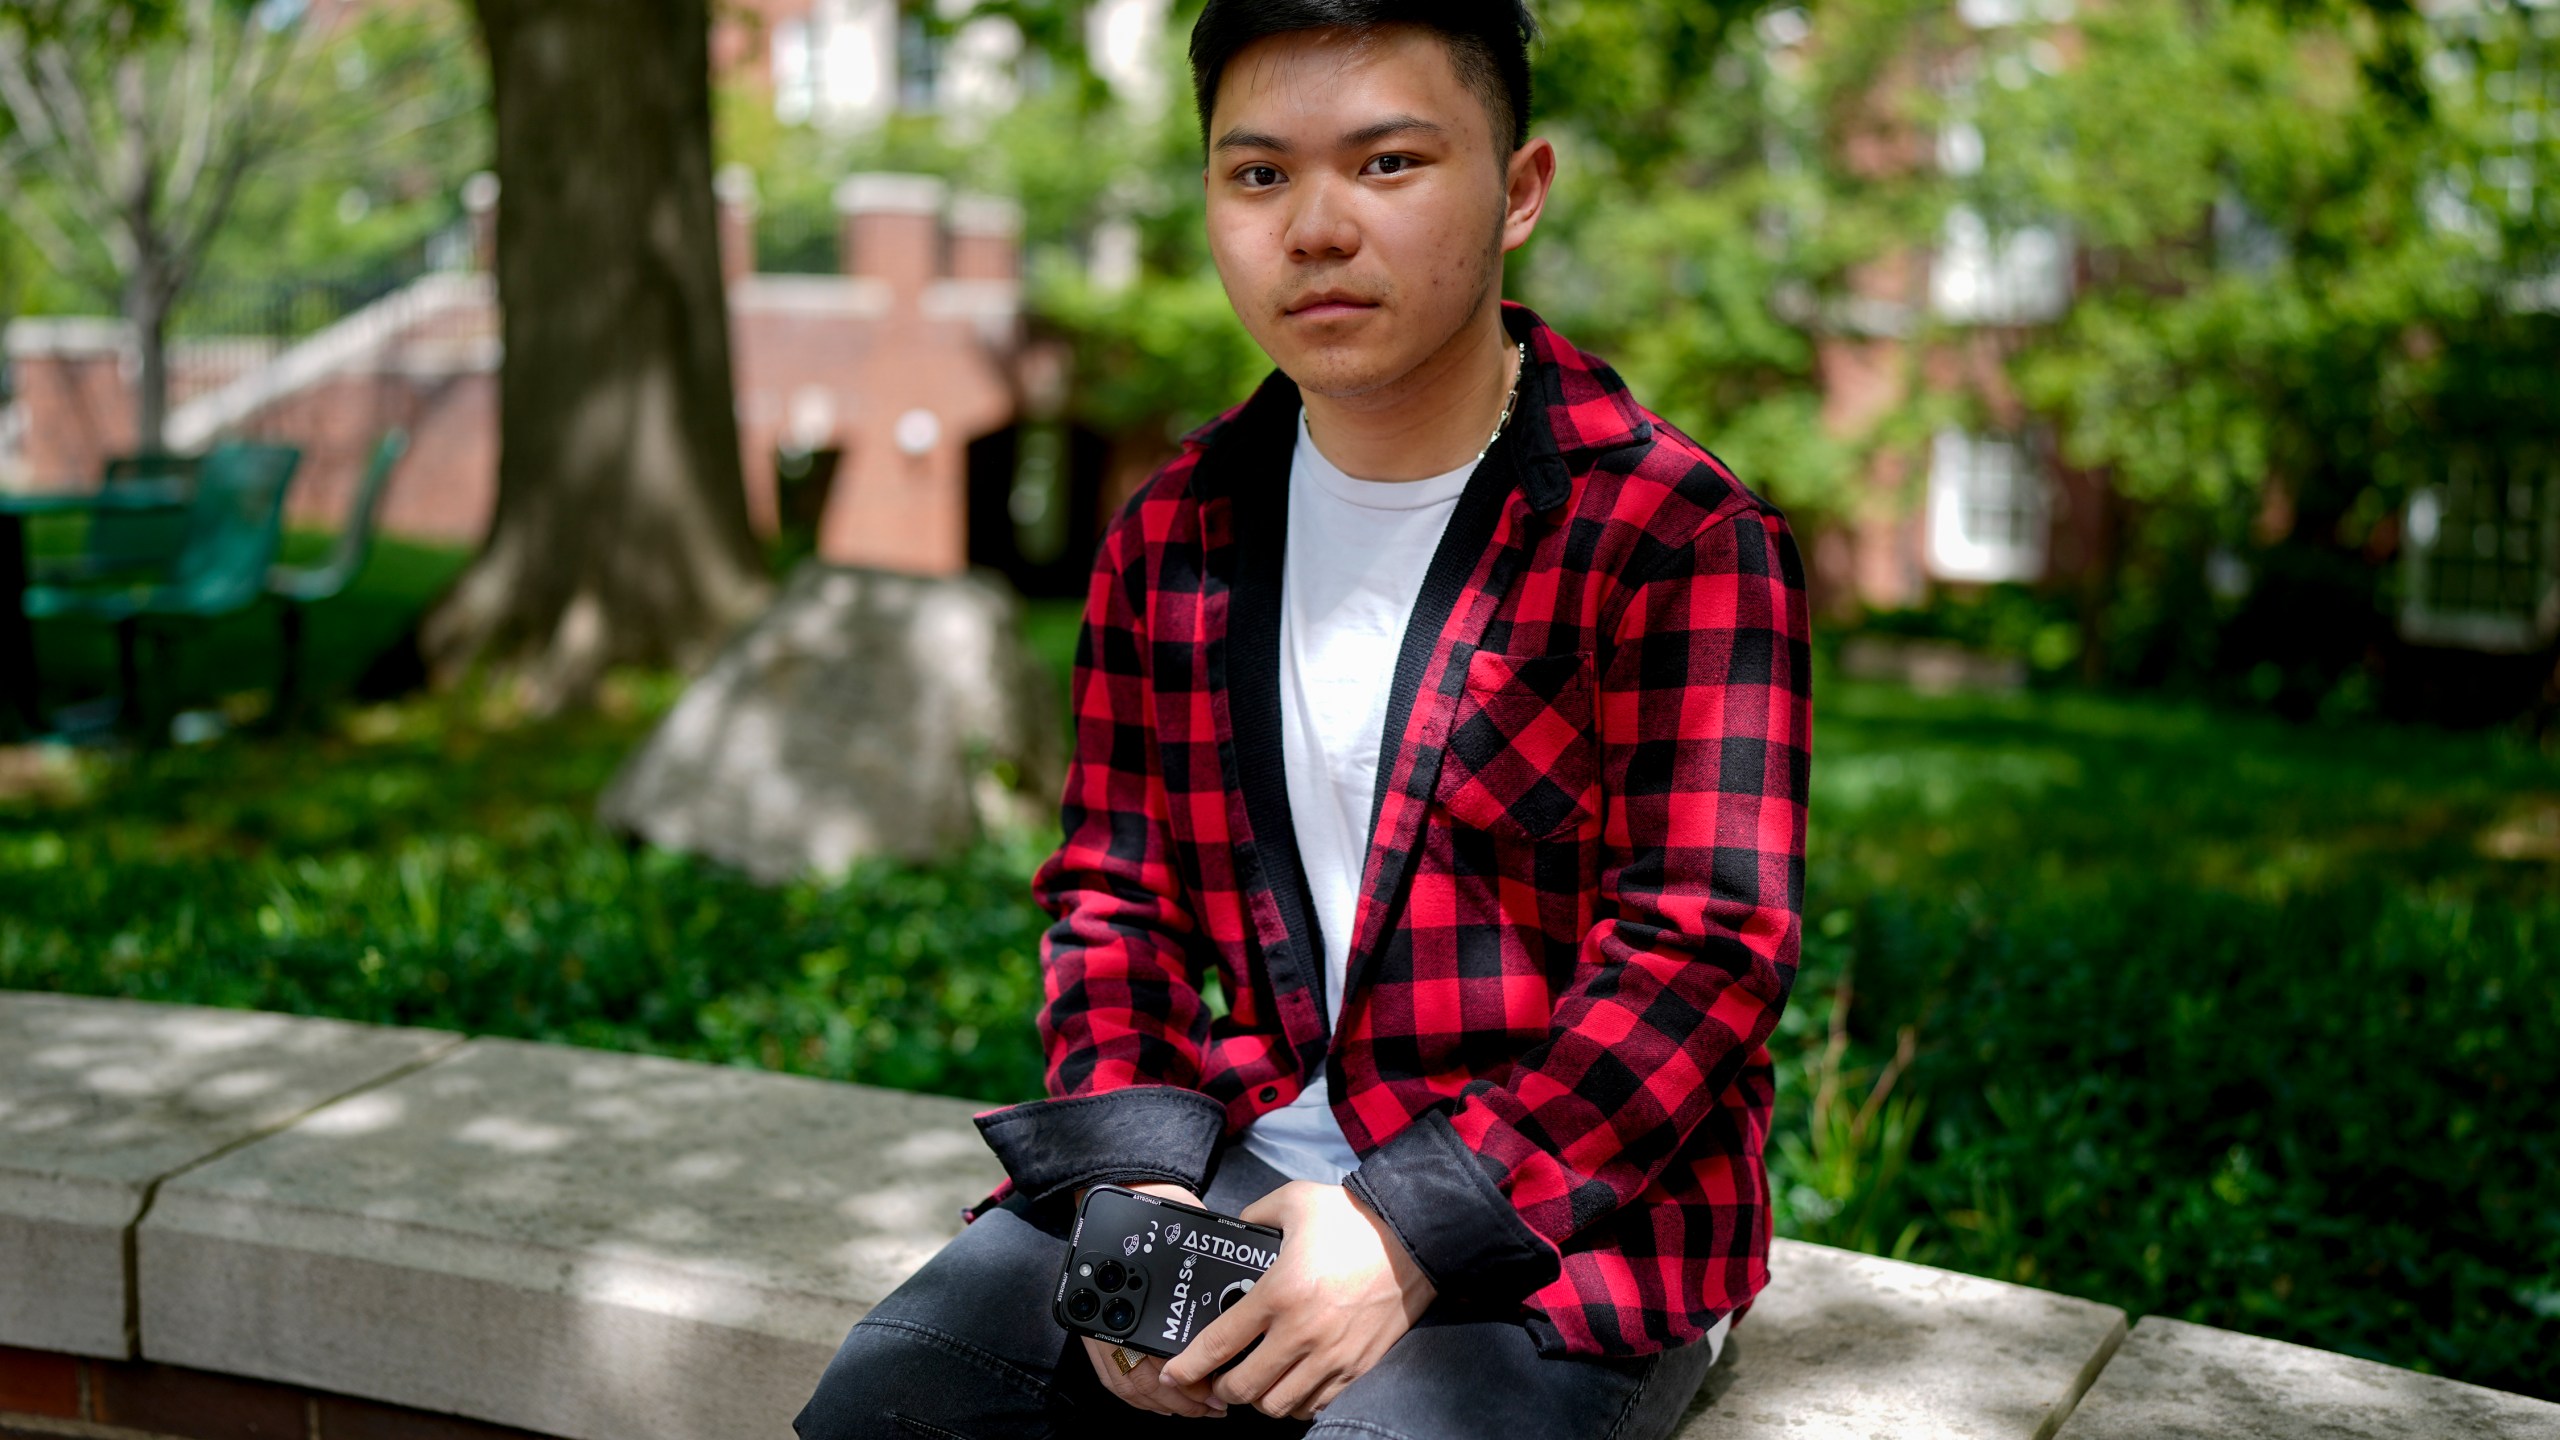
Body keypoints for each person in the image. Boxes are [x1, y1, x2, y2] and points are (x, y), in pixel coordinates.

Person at [795, 2, 1810, 1435]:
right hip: (1233, 1158)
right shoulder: (1176, 534)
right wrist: (1125, 1191)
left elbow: (1700, 954)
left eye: (1389, 164)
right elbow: (1117, 896)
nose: (1317, 227)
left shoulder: (1671, 534)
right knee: (894, 1407)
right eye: (1259, 174)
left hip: (1562, 1217)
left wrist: (1403, 1229)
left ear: (1519, 191)